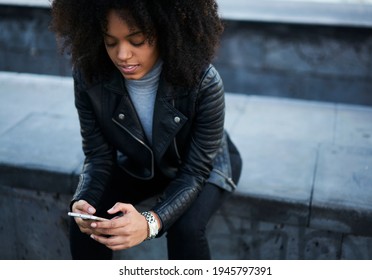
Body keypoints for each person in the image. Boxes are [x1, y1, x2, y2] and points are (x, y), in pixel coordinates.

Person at [50, 0, 242, 260]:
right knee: (87, 219)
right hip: (143, 162)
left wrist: (151, 221)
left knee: (184, 228)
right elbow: (98, 156)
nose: (122, 55)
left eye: (136, 40)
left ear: (164, 31)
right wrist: (82, 202)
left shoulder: (204, 82)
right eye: (110, 42)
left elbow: (194, 172)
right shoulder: (89, 76)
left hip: (207, 166)